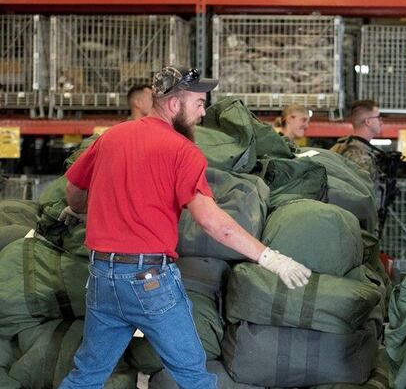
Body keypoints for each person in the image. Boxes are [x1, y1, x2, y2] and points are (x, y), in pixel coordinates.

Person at [59, 66, 312, 388]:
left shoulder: (112, 136)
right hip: (148, 281)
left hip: (102, 277)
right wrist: (270, 258)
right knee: (193, 375)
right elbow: (212, 222)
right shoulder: (182, 151)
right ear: (175, 104)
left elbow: (74, 190)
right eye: (199, 104)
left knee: (88, 373)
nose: (203, 113)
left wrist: (79, 210)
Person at [330, 100, 383, 178]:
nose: (381, 122)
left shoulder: (342, 146)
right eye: (378, 118)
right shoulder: (357, 154)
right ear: (368, 121)